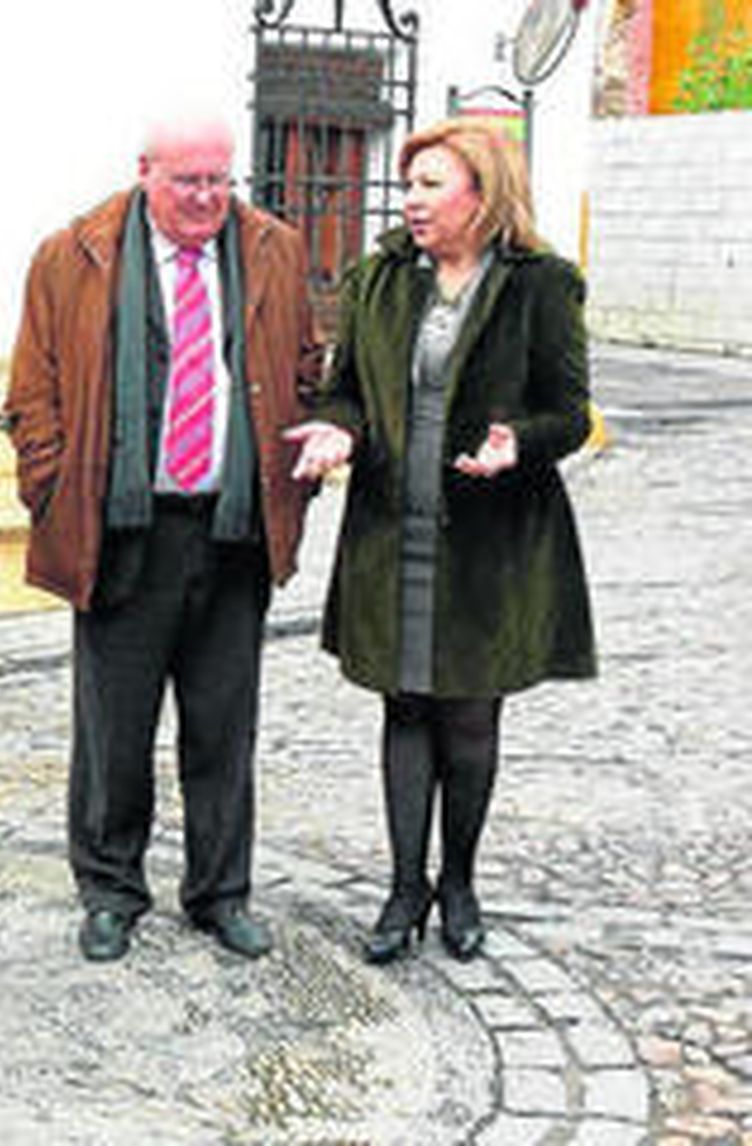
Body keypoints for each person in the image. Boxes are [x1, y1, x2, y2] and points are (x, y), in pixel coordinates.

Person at [6, 113, 321, 964]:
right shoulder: (75, 254)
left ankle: (221, 893)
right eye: (188, 181)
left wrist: (291, 477)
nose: (207, 198)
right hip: (123, 530)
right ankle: (110, 891)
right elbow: (33, 390)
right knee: (114, 730)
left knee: (224, 727)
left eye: (220, 180)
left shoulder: (272, 250)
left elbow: (301, 366)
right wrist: (53, 485)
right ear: (145, 172)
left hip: (231, 530)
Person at [286, 118, 596, 965]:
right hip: (394, 530)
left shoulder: (541, 285)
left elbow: (570, 413)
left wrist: (518, 442)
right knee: (403, 706)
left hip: (491, 542)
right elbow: (346, 389)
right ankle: (402, 887)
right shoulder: (381, 278)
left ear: (483, 194)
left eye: (432, 184)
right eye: (409, 183)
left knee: (468, 716)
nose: (411, 200)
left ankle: (457, 881)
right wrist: (336, 432)